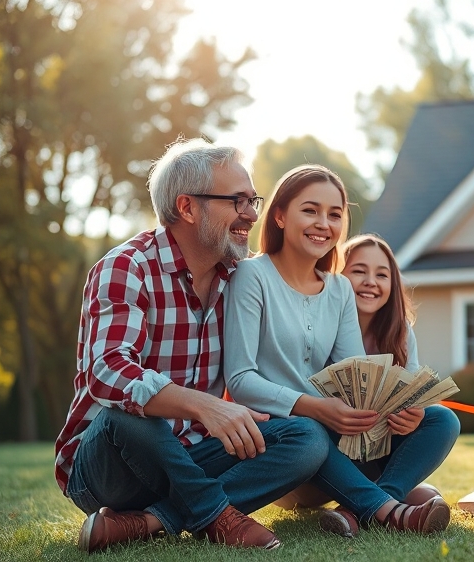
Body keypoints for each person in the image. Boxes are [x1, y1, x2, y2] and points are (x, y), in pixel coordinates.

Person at [55, 139, 333, 553]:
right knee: (131, 412)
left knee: (307, 438)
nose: (252, 214)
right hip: (110, 467)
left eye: (253, 200)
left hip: (193, 456)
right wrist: (205, 405)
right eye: (238, 201)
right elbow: (107, 371)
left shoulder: (244, 278)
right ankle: (218, 515)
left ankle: (150, 522)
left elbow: (287, 350)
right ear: (187, 207)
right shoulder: (126, 266)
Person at [223, 166, 459, 537]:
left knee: (441, 419)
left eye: (335, 215)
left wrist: (400, 409)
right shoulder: (251, 276)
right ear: (281, 215)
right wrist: (315, 407)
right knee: (309, 432)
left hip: (334, 432)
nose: (323, 223)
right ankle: (389, 511)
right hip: (285, 440)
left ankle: (365, 507)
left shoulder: (338, 289)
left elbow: (355, 374)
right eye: (310, 210)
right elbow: (240, 380)